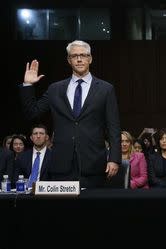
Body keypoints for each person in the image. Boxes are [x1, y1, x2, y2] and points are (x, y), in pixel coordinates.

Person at [19, 40, 121, 188]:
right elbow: (32, 113)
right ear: (69, 60)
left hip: (93, 164)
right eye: (74, 56)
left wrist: (114, 158)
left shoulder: (106, 89)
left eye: (83, 55)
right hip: (61, 164)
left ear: (90, 58)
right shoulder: (55, 89)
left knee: (94, 210)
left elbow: (114, 127)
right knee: (63, 210)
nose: (79, 59)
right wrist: (28, 85)